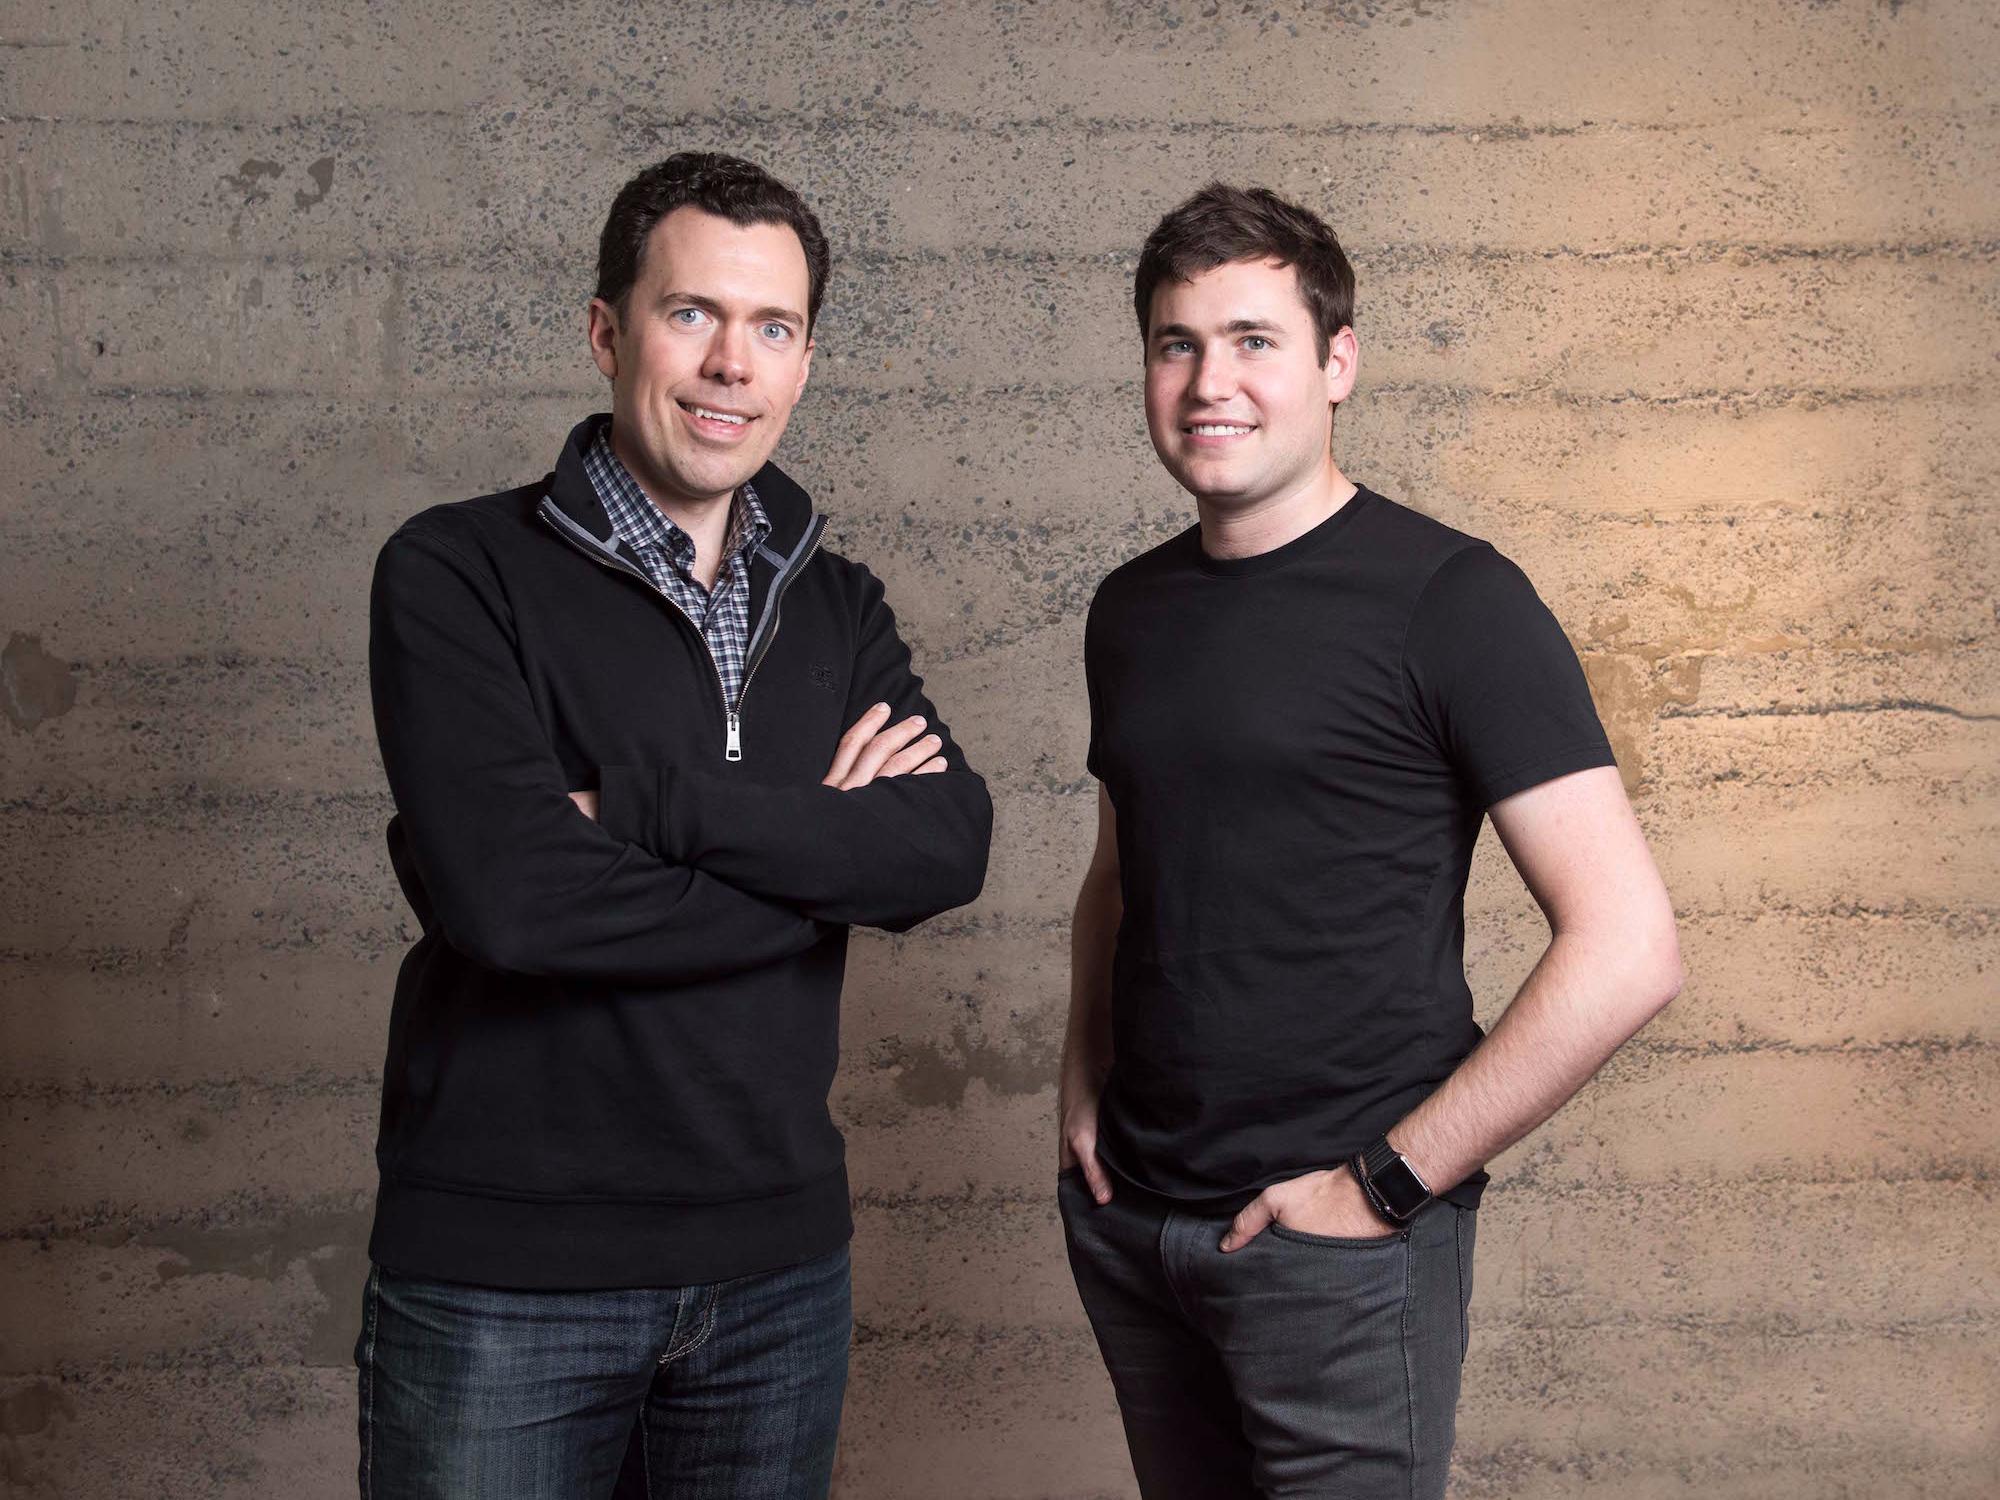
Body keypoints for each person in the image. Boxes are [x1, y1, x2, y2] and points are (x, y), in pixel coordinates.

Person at [356, 152, 992, 1499]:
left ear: (805, 363)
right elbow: (514, 902)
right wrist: (822, 856)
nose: (730, 366)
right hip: (506, 1284)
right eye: (691, 313)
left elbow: (945, 845)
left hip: (779, 1277)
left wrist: (642, 806)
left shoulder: (837, 604)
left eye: (774, 328)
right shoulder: (456, 572)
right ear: (608, 331)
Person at [1056, 183, 1683, 1499]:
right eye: (1177, 344)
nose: (1210, 382)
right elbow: (1122, 871)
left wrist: (1384, 1188)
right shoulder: (1129, 609)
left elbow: (1629, 948)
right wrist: (1082, 1075)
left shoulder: (1455, 600)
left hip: (1338, 1250)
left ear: (1338, 361)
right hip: (1139, 1229)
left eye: (1255, 341)